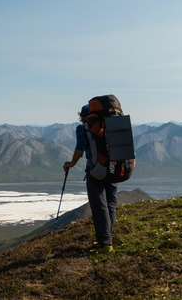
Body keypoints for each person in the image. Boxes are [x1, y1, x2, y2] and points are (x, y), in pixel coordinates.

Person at [63, 104, 117, 254]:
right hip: (114, 169)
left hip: (95, 171)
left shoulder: (83, 128)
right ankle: (107, 239)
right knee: (111, 204)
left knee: (99, 207)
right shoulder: (108, 125)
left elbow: (80, 149)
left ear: (83, 116)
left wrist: (71, 164)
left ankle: (105, 243)